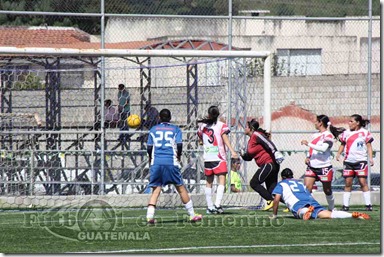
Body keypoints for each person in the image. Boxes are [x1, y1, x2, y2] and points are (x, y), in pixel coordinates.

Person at [146, 108, 202, 224]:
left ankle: (149, 216)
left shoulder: (153, 129)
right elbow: (179, 144)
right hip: (171, 162)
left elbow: (149, 147)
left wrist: (150, 158)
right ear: (170, 118)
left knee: (156, 190)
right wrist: (179, 156)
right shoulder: (175, 129)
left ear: (159, 118)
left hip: (156, 163)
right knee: (181, 188)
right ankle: (192, 215)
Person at [271, 168, 370, 220]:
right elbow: (308, 192)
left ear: (282, 177)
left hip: (298, 203)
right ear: (292, 176)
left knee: (300, 211)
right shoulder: (300, 183)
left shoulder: (281, 184)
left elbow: (276, 199)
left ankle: (305, 212)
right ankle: (351, 215)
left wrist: (274, 215)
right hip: (311, 201)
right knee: (329, 214)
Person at [197, 105, 238, 214]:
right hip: (219, 157)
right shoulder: (221, 125)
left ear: (209, 115)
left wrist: (203, 142)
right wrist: (233, 151)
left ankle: (210, 207)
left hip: (208, 157)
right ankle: (217, 205)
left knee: (208, 182)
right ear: (218, 115)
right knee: (221, 181)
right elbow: (225, 139)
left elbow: (200, 139)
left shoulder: (202, 127)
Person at [330, 114, 375, 211]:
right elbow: (342, 144)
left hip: (361, 161)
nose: (349, 123)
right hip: (348, 162)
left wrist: (370, 158)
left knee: (363, 182)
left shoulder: (365, 133)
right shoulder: (346, 133)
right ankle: (345, 206)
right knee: (347, 183)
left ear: (357, 123)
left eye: (351, 121)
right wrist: (338, 154)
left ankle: (368, 205)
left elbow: (369, 146)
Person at [240, 118, 284, 211]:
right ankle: (291, 203)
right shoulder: (251, 141)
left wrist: (275, 152)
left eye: (246, 127)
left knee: (254, 183)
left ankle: (271, 201)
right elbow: (249, 157)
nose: (244, 128)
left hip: (269, 164)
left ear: (251, 128)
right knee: (273, 191)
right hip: (269, 165)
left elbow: (268, 142)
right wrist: (243, 155)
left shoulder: (256, 135)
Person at [300, 114, 336, 211]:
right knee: (307, 188)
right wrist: (308, 157)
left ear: (320, 123)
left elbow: (323, 149)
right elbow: (312, 149)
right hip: (312, 166)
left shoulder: (329, 135)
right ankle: (308, 208)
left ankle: (331, 208)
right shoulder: (315, 135)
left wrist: (308, 143)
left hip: (324, 166)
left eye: (316, 121)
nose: (314, 123)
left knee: (327, 190)